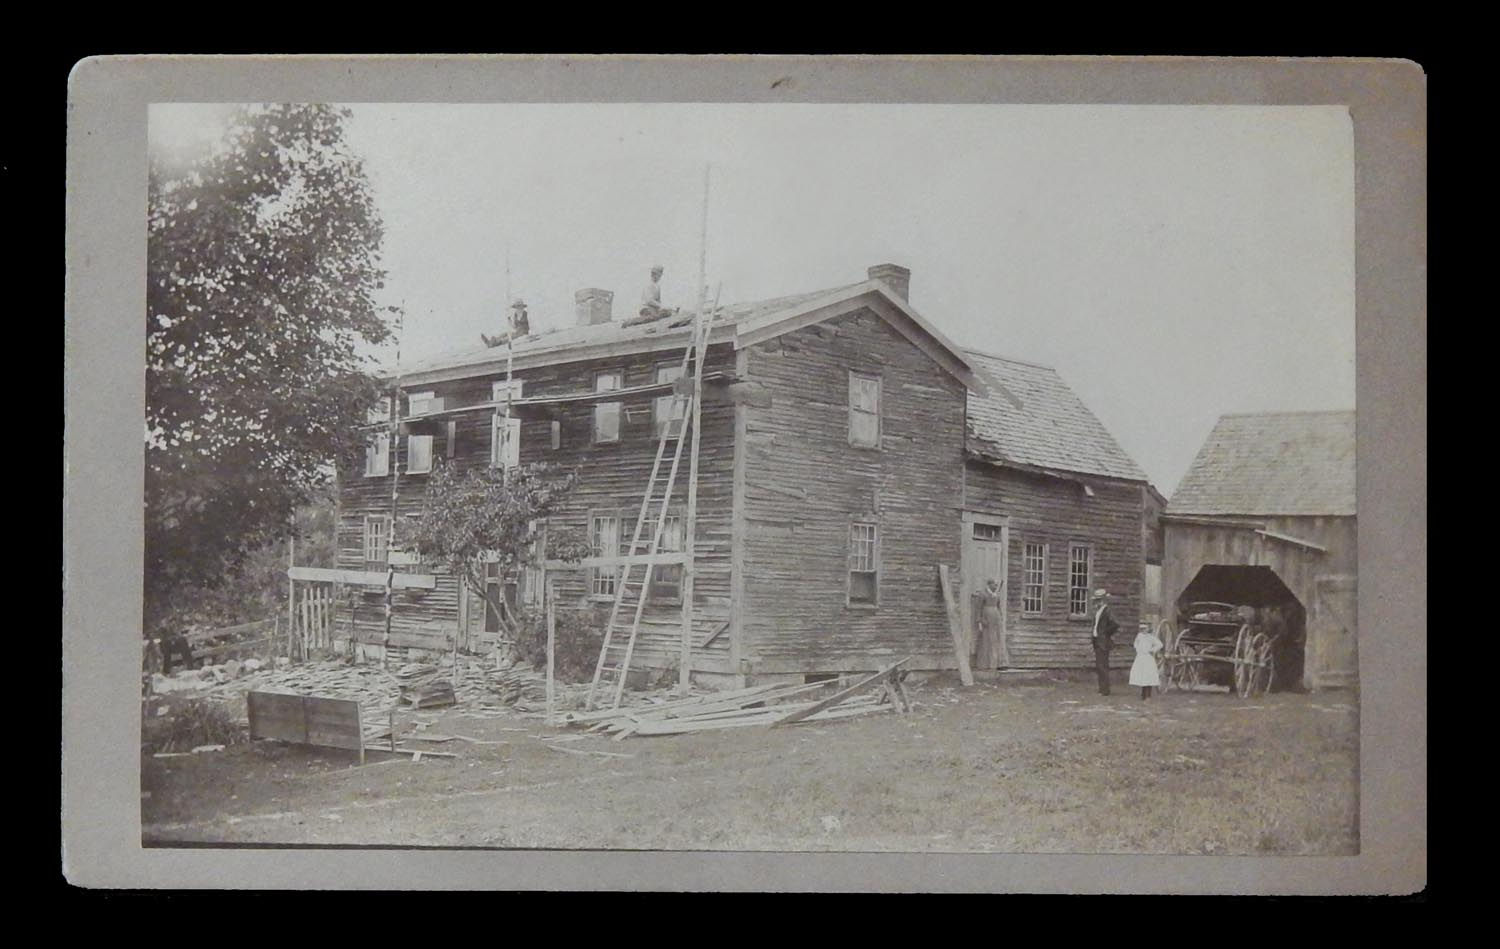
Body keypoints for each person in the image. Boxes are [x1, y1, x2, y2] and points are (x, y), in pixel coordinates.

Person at [1089, 588, 1120, 695]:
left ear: (1102, 600)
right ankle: (1102, 688)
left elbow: (1115, 624)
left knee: (1103, 666)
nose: (1096, 603)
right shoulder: (1098, 611)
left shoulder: (1107, 611)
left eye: (1098, 600)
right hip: (1097, 641)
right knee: (1099, 666)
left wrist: (1105, 634)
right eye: (1096, 600)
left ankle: (1105, 690)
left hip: (1103, 642)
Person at [980, 578, 1009, 668]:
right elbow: (979, 608)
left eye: (997, 585)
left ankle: (999, 663)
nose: (996, 586)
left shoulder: (997, 595)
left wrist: (1001, 616)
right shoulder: (983, 594)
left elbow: (999, 607)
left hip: (996, 618)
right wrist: (981, 619)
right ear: (989, 584)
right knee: (988, 639)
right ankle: (986, 663)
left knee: (998, 638)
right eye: (994, 584)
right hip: (987, 618)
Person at [1130, 624, 1164, 699]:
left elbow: (1160, 644)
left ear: (1148, 629)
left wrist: (1152, 650)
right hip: (1140, 658)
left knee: (1149, 675)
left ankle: (1148, 694)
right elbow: (1135, 644)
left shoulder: (1151, 637)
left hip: (1148, 658)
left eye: (1145, 629)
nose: (1143, 630)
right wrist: (1138, 649)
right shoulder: (1139, 636)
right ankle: (1143, 694)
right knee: (1142, 675)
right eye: (1142, 629)